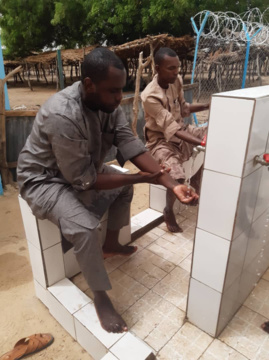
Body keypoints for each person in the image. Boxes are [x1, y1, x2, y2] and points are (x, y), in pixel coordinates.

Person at [17, 48, 198, 334]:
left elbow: (130, 144)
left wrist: (173, 185)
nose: (119, 98)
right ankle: (100, 297)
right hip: (44, 179)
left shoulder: (107, 106)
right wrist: (139, 179)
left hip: (79, 171)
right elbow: (84, 180)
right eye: (113, 91)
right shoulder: (62, 114)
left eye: (121, 90)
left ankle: (110, 245)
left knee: (123, 188)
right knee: (84, 227)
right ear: (89, 84)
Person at [141, 47, 210, 233]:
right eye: (171, 68)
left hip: (182, 130)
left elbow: (184, 108)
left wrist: (207, 105)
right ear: (157, 68)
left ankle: (196, 184)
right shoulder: (150, 96)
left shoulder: (176, 81)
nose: (176, 72)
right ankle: (168, 210)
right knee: (176, 174)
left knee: (213, 133)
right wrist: (202, 143)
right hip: (160, 141)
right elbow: (172, 128)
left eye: (177, 67)